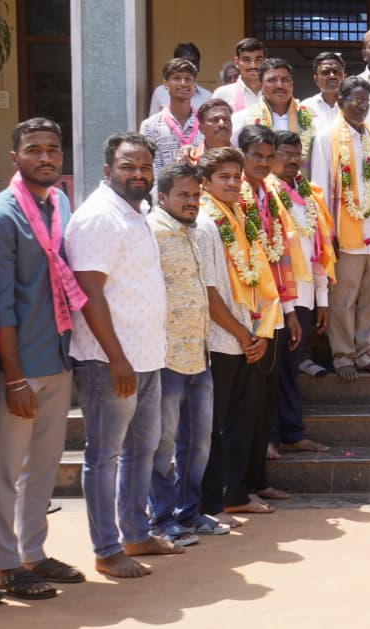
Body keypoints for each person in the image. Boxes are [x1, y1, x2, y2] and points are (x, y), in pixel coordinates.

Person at [66, 132, 180, 578]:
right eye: (128, 166)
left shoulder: (135, 211)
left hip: (146, 354)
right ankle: (107, 549)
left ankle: (135, 533)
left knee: (141, 450)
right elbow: (89, 292)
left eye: (145, 167)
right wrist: (116, 358)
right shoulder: (99, 216)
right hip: (109, 361)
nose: (138, 174)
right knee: (105, 456)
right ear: (107, 170)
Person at [0, 118, 85, 600]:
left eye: (53, 149)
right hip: (21, 365)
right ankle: (5, 566)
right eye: (34, 149)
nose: (45, 157)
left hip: (58, 355)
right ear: (15, 158)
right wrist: (14, 378)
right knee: (6, 470)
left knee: (42, 467)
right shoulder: (0, 216)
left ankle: (33, 553)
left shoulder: (60, 202)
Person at [195, 147, 280, 526]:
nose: (232, 183)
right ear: (205, 183)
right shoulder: (205, 222)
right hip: (221, 338)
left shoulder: (240, 215)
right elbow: (209, 291)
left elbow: (256, 276)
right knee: (217, 425)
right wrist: (244, 334)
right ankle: (213, 501)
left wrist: (258, 331)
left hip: (246, 334)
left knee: (243, 419)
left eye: (236, 177)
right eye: (223, 177)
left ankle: (235, 494)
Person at [146, 161, 213, 548]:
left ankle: (189, 513)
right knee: (163, 445)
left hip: (199, 354)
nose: (191, 201)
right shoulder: (151, 232)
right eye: (183, 195)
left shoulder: (194, 230)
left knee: (198, 442)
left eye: (195, 195)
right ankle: (161, 518)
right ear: (163, 197)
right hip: (166, 357)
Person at [311, 76, 370, 381]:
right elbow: (319, 188)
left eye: (366, 101)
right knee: (343, 300)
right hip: (344, 234)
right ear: (341, 101)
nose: (362, 106)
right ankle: (343, 356)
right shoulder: (326, 138)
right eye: (356, 100)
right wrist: (327, 234)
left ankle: (365, 353)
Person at [237, 125, 303, 476]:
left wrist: (289, 311)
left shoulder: (272, 193)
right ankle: (243, 484)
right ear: (242, 156)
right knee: (246, 400)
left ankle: (258, 480)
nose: (263, 163)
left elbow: (282, 254)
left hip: (274, 307)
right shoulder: (233, 193)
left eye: (268, 156)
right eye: (256, 156)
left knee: (265, 394)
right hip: (244, 310)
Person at [269, 131, 335, 454]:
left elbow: (319, 250)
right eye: (286, 153)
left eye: (297, 154)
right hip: (278, 298)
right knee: (273, 371)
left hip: (306, 297)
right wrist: (289, 307)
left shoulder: (309, 195)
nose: (293, 160)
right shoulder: (266, 195)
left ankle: (291, 434)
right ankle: (271, 437)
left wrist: (323, 301)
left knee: (290, 368)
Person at [232, 58, 315, 157]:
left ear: (292, 83)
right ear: (260, 84)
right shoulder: (242, 118)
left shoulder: (310, 116)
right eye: (272, 80)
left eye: (285, 80)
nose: (280, 85)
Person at [140, 57, 203, 175]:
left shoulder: (205, 124)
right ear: (166, 84)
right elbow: (151, 168)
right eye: (177, 78)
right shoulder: (150, 126)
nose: (183, 83)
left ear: (194, 84)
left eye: (188, 79)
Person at [148, 42, 211, 115]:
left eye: (194, 62)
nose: (189, 66)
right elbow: (153, 119)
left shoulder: (207, 97)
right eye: (185, 62)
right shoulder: (160, 92)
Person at [211, 38, 266, 113]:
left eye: (258, 60)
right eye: (247, 60)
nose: (253, 65)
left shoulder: (274, 93)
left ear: (265, 62)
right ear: (237, 62)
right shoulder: (222, 94)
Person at [179, 98, 234, 164]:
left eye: (226, 119)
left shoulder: (243, 159)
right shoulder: (190, 161)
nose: (222, 124)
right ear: (201, 128)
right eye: (215, 120)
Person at [303, 52, 346, 130]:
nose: (332, 76)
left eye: (336, 71)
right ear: (316, 79)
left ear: (344, 77)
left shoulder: (355, 106)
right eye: (326, 72)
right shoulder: (306, 107)